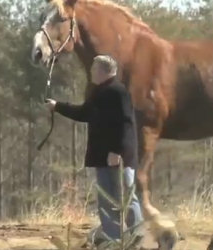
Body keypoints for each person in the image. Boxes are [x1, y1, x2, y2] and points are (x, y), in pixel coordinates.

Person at [45, 55, 143, 243]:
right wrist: (57, 107)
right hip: (102, 157)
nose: (91, 72)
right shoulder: (100, 92)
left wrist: (117, 151)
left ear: (102, 71)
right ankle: (112, 241)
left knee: (127, 197)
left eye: (93, 69)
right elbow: (84, 113)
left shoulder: (117, 91)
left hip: (118, 157)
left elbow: (125, 124)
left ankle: (137, 237)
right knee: (106, 200)